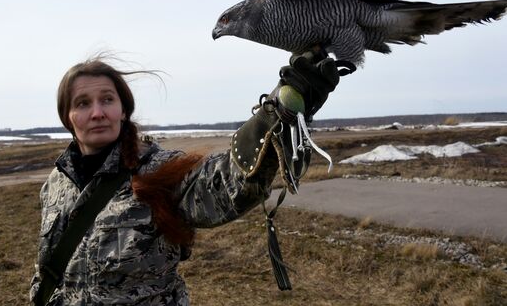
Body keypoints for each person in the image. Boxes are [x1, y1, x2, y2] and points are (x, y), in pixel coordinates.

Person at [30, 50, 340, 305]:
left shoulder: (161, 169)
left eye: (107, 100)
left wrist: (278, 111)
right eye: (83, 103)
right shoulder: (56, 185)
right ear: (67, 117)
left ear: (123, 110)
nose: (97, 112)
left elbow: (226, 183)